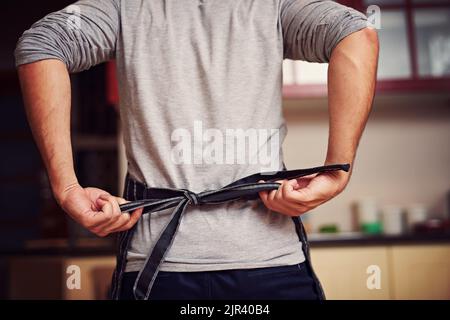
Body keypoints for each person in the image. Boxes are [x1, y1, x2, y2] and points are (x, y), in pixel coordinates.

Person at [15, 0, 378, 300]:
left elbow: (41, 44)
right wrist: (336, 171)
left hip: (159, 275)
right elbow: (358, 32)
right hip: (269, 270)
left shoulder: (124, 8)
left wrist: (67, 188)